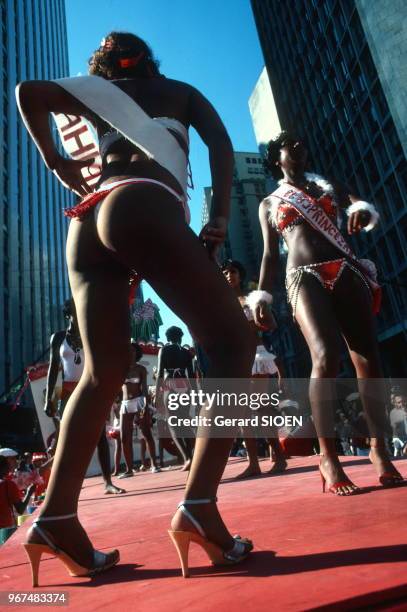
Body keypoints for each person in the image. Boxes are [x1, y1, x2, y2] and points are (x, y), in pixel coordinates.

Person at [16, 31, 254, 583]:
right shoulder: (178, 91)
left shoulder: (89, 95)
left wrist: (55, 160)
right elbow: (220, 145)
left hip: (86, 222)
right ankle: (200, 509)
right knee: (233, 343)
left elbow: (28, 91)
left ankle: (55, 519)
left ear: (101, 67)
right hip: (143, 202)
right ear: (150, 59)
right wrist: (217, 216)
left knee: (102, 374)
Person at [253, 131, 403, 496]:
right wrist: (261, 296)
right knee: (324, 356)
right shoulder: (270, 202)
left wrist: (362, 211)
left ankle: (380, 450)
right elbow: (272, 255)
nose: (301, 147)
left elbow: (360, 205)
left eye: (304, 143)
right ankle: (328, 457)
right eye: (292, 144)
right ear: (277, 157)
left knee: (368, 357)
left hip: (346, 268)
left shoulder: (329, 184)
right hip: (303, 276)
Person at [43, 299, 125, 496]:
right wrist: (50, 400)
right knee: (65, 438)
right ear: (68, 315)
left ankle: (108, 483)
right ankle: (60, 488)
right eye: (75, 312)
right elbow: (54, 369)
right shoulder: (58, 337)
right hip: (68, 392)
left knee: (100, 438)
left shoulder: (92, 335)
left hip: (90, 389)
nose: (80, 315)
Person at [221, 260, 287, 478]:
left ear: (240, 274)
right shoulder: (221, 302)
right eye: (225, 272)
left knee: (259, 408)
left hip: (257, 356)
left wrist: (260, 320)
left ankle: (278, 455)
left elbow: (272, 324)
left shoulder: (252, 298)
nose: (229, 275)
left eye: (233, 271)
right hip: (236, 359)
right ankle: (253, 463)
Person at [156, 326, 195, 471]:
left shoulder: (164, 350)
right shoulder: (185, 352)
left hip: (170, 385)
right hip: (184, 384)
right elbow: (191, 375)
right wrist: (194, 394)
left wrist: (159, 394)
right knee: (184, 421)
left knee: (173, 425)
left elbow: (160, 373)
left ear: (167, 338)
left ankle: (187, 458)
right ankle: (194, 454)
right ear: (180, 337)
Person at [120, 342, 160, 476]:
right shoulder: (121, 369)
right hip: (125, 403)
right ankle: (129, 469)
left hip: (139, 402)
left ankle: (154, 464)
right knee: (124, 437)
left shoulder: (141, 369)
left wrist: (144, 408)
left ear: (137, 353)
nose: (130, 353)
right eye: (127, 351)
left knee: (146, 432)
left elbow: (144, 389)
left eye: (132, 351)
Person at [0, 456, 36, 545]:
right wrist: (29, 493)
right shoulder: (8, 485)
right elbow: (20, 509)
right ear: (4, 468)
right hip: (4, 530)